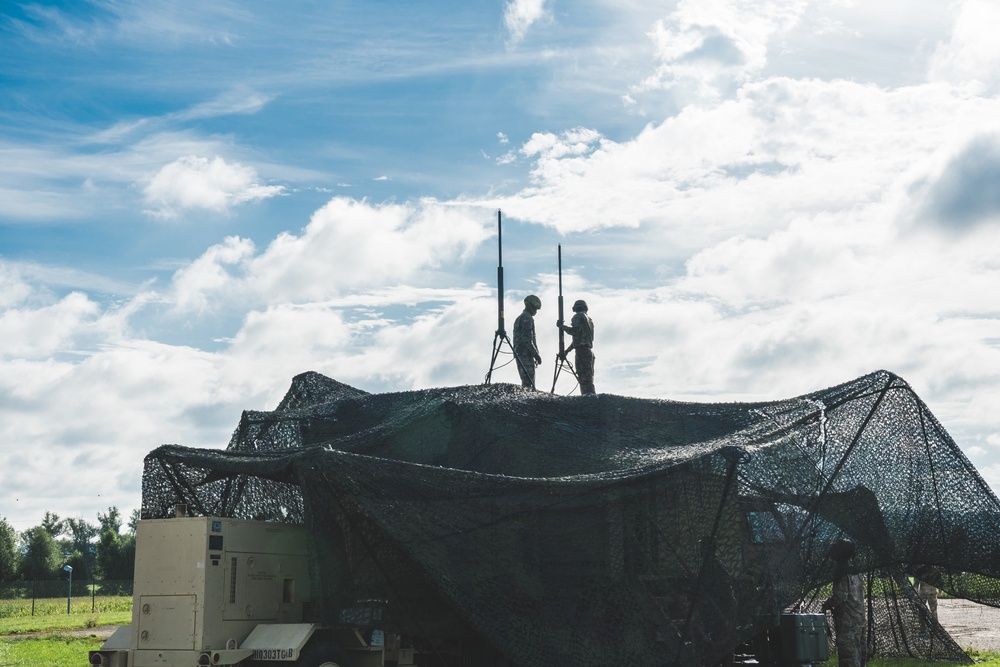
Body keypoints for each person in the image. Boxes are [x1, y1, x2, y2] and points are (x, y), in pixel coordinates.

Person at [822, 539, 866, 667]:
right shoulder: (855, 572)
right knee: (859, 656)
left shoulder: (842, 573)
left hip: (848, 622)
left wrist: (827, 604)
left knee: (849, 659)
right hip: (859, 619)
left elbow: (840, 597)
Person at [558, 299, 595, 394]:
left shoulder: (577, 317)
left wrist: (562, 326)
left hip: (582, 352)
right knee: (588, 377)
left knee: (584, 377)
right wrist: (567, 351)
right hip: (588, 351)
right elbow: (578, 338)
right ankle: (590, 396)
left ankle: (587, 398)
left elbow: (575, 332)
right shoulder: (589, 320)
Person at [513, 295, 543, 389]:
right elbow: (527, 340)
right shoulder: (527, 318)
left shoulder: (519, 318)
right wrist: (536, 355)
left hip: (520, 353)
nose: (536, 311)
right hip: (525, 354)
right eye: (535, 308)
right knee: (528, 384)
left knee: (526, 382)